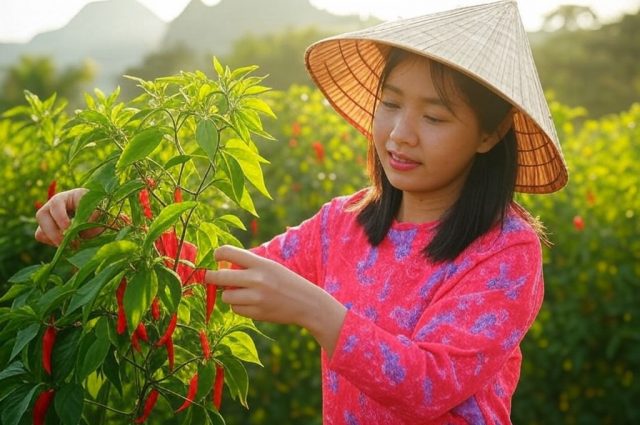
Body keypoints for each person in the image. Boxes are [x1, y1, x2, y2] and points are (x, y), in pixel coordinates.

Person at [35, 1, 568, 423]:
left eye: (434, 116)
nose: (400, 134)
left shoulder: (505, 251)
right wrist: (115, 227)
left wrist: (316, 310)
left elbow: (428, 386)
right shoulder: (345, 223)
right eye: (390, 104)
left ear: (490, 133)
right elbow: (218, 276)